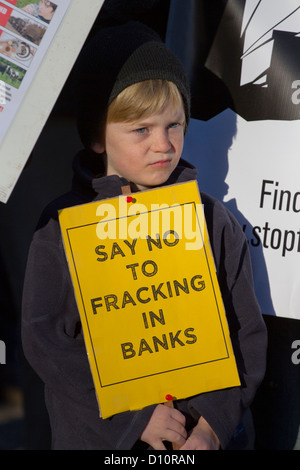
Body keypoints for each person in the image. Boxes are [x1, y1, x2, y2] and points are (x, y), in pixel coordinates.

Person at [21, 21, 267, 450]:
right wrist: (133, 418)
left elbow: (245, 333)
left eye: (175, 124)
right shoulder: (61, 227)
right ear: (98, 137)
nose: (164, 144)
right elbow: (47, 343)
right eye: (141, 130)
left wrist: (212, 427)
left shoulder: (212, 220)